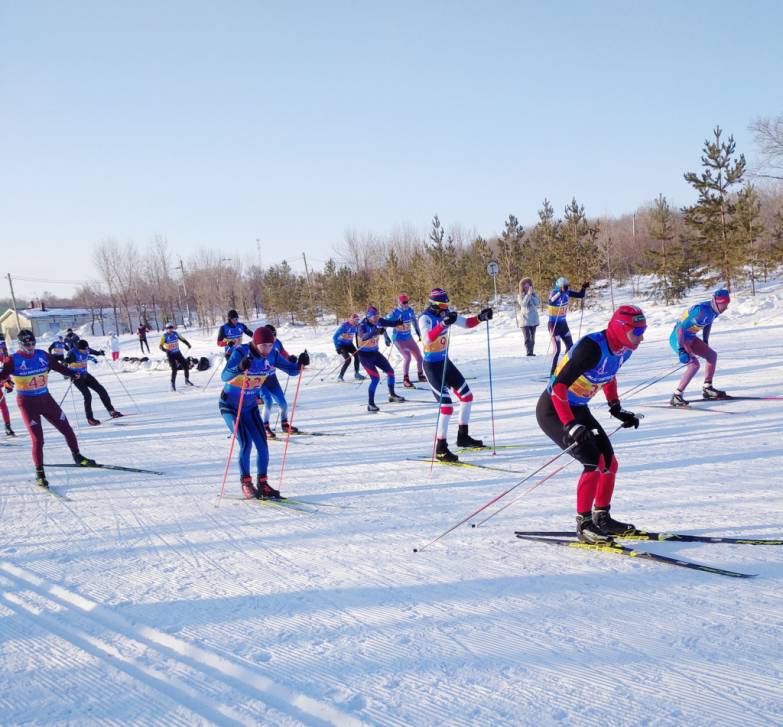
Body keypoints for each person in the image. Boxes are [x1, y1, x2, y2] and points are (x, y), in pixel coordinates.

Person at [536, 305, 646, 544]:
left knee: (610, 462)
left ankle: (602, 517)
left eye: (642, 331)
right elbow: (558, 388)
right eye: (636, 332)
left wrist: (616, 407)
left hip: (578, 407)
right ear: (620, 329)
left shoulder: (623, 350)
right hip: (553, 409)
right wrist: (570, 425)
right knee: (593, 461)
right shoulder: (591, 348)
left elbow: (610, 373)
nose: (641, 337)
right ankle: (584, 524)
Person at [220, 326, 309, 499]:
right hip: (231, 405)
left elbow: (291, 370)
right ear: (255, 342)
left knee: (262, 445)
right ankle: (246, 482)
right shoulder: (241, 352)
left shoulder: (273, 354)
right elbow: (224, 376)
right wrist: (239, 367)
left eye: (270, 345)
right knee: (245, 443)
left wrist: (301, 363)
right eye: (263, 346)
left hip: (250, 406)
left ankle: (263, 483)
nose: (267, 349)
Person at [0, 329, 95, 488]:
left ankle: (78, 456)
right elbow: (3, 376)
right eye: (26, 344)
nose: (30, 346)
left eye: (32, 343)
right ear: (20, 344)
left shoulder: (42, 355)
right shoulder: (13, 359)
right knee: (38, 439)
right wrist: (6, 382)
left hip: (46, 399)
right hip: (27, 403)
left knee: (67, 429)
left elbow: (58, 367)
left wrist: (73, 373)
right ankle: (40, 474)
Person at [418, 288, 492, 461]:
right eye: (443, 305)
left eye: (447, 305)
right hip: (431, 367)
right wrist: (443, 324)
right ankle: (441, 448)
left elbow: (466, 323)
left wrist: (481, 317)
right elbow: (427, 339)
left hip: (446, 363)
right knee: (446, 407)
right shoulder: (425, 318)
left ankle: (463, 436)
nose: (446, 308)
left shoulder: (446, 313)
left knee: (467, 396)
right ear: (435, 305)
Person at [669, 289, 731, 406]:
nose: (726, 307)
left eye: (727, 304)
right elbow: (680, 329)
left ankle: (707, 388)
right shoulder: (701, 310)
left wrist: (705, 340)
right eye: (725, 304)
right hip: (679, 339)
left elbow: (708, 323)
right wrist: (682, 349)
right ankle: (677, 396)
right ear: (718, 302)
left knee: (712, 355)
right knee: (694, 365)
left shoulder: (714, 310)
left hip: (690, 337)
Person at [356, 306, 405, 412]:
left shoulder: (379, 321)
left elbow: (391, 323)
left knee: (390, 372)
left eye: (377, 316)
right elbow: (363, 336)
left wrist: (398, 322)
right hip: (364, 356)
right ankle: (370, 404)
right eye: (374, 316)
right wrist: (376, 331)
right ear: (368, 317)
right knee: (375, 378)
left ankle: (392, 395)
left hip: (375, 353)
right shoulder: (362, 325)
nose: (376, 318)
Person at [66, 339, 123, 425]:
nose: (86, 351)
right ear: (78, 348)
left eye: (86, 349)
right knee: (88, 396)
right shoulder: (72, 353)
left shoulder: (87, 349)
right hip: (77, 377)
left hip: (85, 375)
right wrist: (69, 367)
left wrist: (99, 353)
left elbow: (93, 351)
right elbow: (64, 363)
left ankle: (112, 411)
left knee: (102, 390)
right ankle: (90, 418)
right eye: (84, 350)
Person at [258, 324, 301, 437]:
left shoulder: (277, 344)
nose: (273, 339)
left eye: (275, 336)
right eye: (271, 336)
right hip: (260, 379)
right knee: (268, 401)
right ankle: (264, 427)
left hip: (272, 378)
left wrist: (292, 360)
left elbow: (283, 355)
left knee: (283, 403)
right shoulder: (259, 346)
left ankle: (284, 424)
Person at [547, 277, 589, 375]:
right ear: (559, 286)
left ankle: (562, 368)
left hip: (563, 324)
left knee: (570, 347)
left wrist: (583, 288)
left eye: (567, 286)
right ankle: (552, 372)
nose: (566, 288)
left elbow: (581, 295)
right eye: (564, 286)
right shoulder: (554, 292)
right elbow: (550, 301)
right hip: (554, 325)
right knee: (557, 350)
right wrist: (560, 292)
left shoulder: (567, 292)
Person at [386, 294, 425, 388]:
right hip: (398, 339)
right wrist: (386, 337)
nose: (406, 304)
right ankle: (406, 379)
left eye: (407, 302)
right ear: (399, 303)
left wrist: (418, 332)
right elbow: (382, 324)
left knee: (419, 357)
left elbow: (414, 321)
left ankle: (420, 375)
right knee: (407, 357)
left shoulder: (410, 310)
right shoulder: (394, 312)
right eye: (404, 302)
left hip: (408, 337)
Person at [160, 322, 195, 391]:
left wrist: (188, 344)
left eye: (171, 328)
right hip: (170, 355)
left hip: (178, 353)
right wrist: (166, 350)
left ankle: (187, 380)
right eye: (168, 328)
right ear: (166, 329)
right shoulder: (164, 336)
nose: (170, 329)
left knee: (185, 365)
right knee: (174, 369)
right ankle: (172, 384)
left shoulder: (176, 333)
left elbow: (182, 339)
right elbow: (160, 346)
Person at [332, 313, 365, 381]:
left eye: (358, 320)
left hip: (349, 344)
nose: (357, 322)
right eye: (356, 320)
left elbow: (358, 335)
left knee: (357, 356)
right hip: (341, 345)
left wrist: (359, 345)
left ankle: (357, 374)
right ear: (352, 320)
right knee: (348, 360)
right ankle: (340, 376)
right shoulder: (344, 326)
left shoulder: (356, 326)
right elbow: (334, 337)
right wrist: (337, 347)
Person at [518, 278, 541, 356]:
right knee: (528, 338)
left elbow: (538, 303)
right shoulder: (520, 296)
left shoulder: (533, 294)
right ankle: (529, 353)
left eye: (528, 286)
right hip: (525, 320)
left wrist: (532, 295)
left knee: (533, 338)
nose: (527, 288)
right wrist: (528, 295)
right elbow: (523, 304)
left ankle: (531, 352)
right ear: (523, 287)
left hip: (533, 320)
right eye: (525, 287)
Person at [0, 333, 15, 436]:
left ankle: (8, 426)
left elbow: (5, 370)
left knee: (3, 405)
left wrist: (7, 381)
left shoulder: (3, 356)